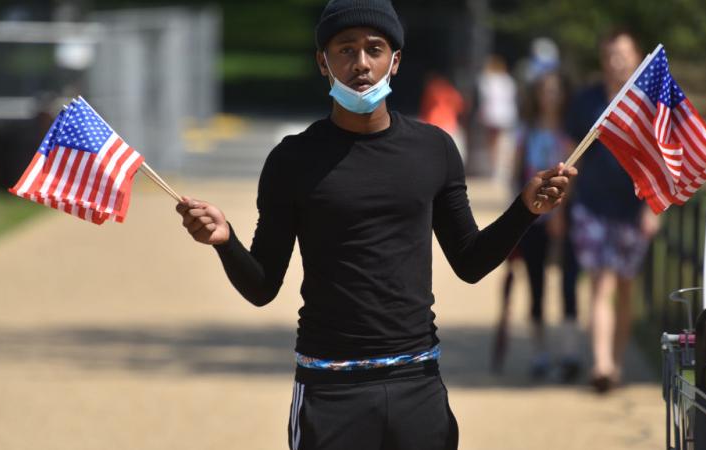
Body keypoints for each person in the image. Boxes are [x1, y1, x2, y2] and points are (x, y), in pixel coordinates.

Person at [176, 1, 576, 448]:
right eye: (345, 50)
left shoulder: (434, 150)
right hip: (328, 390)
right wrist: (225, 241)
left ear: (396, 60)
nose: (360, 63)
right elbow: (263, 286)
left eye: (374, 48)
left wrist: (524, 209)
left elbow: (469, 261)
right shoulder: (291, 160)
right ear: (322, 63)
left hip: (418, 383)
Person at [564, 29, 660, 393]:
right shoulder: (587, 100)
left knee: (625, 288)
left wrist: (654, 210)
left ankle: (616, 362)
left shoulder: (650, 103)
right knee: (600, 282)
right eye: (610, 54)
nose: (616, 61)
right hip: (592, 205)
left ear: (636, 57)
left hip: (633, 209)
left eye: (623, 54)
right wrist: (561, 205)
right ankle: (602, 363)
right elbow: (573, 154)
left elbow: (661, 164)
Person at [492, 70, 581, 382]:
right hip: (533, 222)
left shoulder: (572, 133)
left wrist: (561, 214)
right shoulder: (526, 133)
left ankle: (570, 351)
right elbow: (516, 176)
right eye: (545, 90)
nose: (550, 96)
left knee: (570, 283)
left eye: (556, 90)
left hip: (566, 220)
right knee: (536, 285)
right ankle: (540, 352)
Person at [476, 55, 518, 178]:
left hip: (493, 116)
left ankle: (496, 169)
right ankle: (499, 169)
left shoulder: (488, 80)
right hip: (505, 115)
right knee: (501, 142)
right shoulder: (508, 80)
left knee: (494, 143)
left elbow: (484, 96)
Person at [419, 72, 467, 163]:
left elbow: (425, 108)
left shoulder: (431, 89)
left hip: (434, 123)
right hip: (450, 125)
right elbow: (460, 107)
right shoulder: (450, 90)